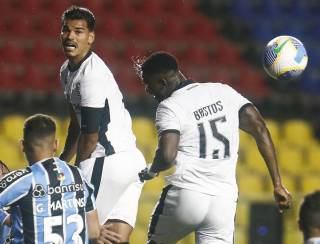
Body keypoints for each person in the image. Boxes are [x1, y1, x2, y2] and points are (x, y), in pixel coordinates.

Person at [135, 51, 292, 244]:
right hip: (223, 202)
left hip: (186, 194)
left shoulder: (170, 106)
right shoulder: (222, 91)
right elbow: (259, 127)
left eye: (148, 85)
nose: (148, 91)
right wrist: (277, 183)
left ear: (163, 82)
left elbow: (167, 156)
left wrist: (152, 170)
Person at [59, 6, 146, 243]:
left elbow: (90, 134)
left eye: (78, 31)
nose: (70, 36)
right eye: (66, 30)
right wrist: (61, 162)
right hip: (131, 163)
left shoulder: (91, 74)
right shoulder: (66, 71)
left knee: (79, 233)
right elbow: (75, 125)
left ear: (91, 37)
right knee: (116, 238)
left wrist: (76, 172)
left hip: (106, 161)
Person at [0, 114, 101, 243]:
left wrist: (5, 218)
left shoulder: (23, 180)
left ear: (22, 146)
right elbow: (94, 232)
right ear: (56, 144)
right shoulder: (78, 176)